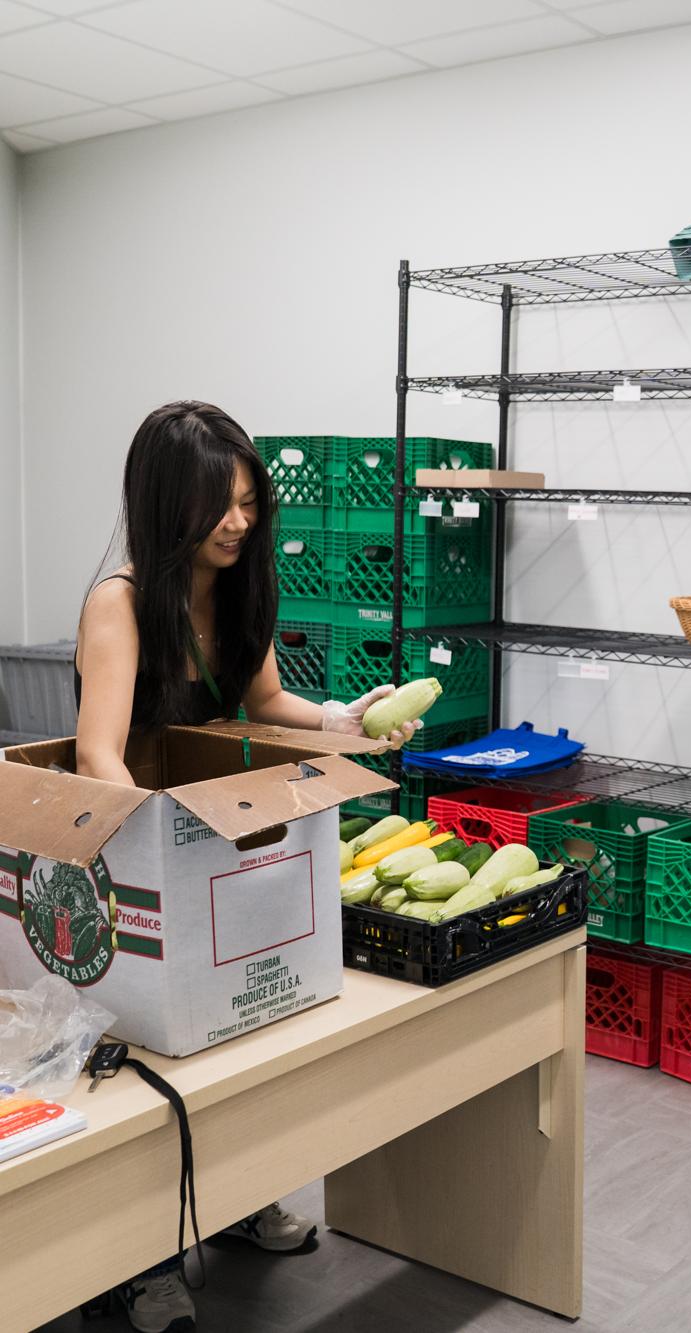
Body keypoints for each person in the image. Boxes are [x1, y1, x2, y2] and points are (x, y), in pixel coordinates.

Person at [74, 401, 422, 1333]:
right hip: (141, 852)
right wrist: (156, 848)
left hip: (221, 842)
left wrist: (345, 718)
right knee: (157, 1059)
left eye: (248, 501)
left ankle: (230, 1200)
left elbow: (266, 702)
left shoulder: (236, 591)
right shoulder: (120, 604)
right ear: (167, 503)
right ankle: (139, 1261)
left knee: (243, 1038)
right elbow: (99, 751)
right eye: (218, 504)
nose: (238, 522)